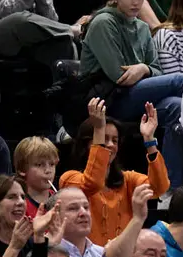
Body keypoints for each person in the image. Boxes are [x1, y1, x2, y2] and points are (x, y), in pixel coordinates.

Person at [81, 0, 183, 184]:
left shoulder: (141, 27)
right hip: (109, 99)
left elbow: (156, 69)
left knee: (177, 105)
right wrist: (146, 70)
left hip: (135, 95)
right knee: (180, 81)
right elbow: (118, 75)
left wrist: (143, 69)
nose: (136, 2)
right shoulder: (103, 22)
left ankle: (170, 187)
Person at [61, 99, 170, 247]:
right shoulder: (69, 179)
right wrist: (99, 128)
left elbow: (158, 188)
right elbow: (92, 182)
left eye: (115, 140)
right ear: (87, 143)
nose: (111, 145)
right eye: (104, 139)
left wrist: (150, 140)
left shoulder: (128, 180)